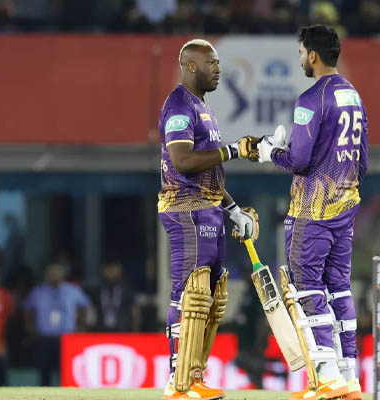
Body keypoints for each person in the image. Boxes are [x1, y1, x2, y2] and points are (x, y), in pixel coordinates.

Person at [257, 24, 368, 400]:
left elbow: (299, 160)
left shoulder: (311, 98)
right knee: (339, 288)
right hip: (345, 209)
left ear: (314, 55)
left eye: (302, 53)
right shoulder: (353, 96)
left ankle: (327, 377)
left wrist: (271, 151)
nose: (302, 59)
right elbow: (362, 162)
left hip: (312, 212)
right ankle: (349, 378)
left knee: (307, 288)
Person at [158, 38, 262, 400]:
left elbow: (209, 172)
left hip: (209, 208)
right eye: (211, 63)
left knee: (210, 299)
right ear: (190, 65)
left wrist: (232, 210)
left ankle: (194, 377)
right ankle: (178, 381)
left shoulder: (203, 108)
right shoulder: (179, 105)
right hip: (186, 208)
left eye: (218, 63)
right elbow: (183, 161)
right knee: (190, 293)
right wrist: (233, 150)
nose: (218, 69)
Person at [23, 261, 90, 386]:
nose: (53, 275)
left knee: (67, 373)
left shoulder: (73, 290)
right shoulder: (37, 292)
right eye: (51, 272)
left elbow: (85, 307)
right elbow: (27, 310)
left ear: (63, 274)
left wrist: (81, 327)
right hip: (44, 338)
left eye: (56, 272)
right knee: (44, 373)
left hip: (67, 338)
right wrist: (31, 328)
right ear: (46, 274)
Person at [87, 260, 135, 332]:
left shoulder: (128, 291)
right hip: (100, 332)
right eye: (108, 268)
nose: (111, 271)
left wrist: (134, 334)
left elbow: (134, 314)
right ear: (103, 270)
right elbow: (89, 314)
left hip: (122, 333)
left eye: (114, 268)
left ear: (120, 270)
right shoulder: (95, 291)